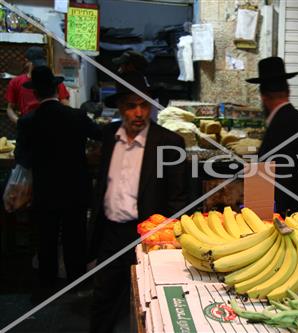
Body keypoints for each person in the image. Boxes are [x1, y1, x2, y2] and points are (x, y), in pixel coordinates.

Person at [90, 71, 187, 333]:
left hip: (147, 236)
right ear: (121, 108)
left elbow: (178, 198)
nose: (139, 112)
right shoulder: (110, 136)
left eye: (144, 104)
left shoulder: (170, 143)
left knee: (149, 302)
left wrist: (169, 240)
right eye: (132, 106)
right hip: (111, 233)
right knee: (103, 297)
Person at [14, 66, 101, 296]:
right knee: (75, 236)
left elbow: (21, 156)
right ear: (56, 89)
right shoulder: (76, 116)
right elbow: (100, 135)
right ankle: (76, 282)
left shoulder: (28, 121)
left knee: (46, 236)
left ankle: (47, 283)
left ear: (35, 93)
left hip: (45, 189)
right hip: (76, 187)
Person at [246, 57, 298, 215]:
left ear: (263, 96)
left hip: (286, 214)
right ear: (288, 91)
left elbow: (270, 179)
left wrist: (256, 216)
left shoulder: (279, 126)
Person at [6, 46, 70, 124]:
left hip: (52, 123)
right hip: (28, 122)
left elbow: (65, 105)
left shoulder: (53, 81)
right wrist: (19, 122)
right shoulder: (16, 82)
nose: (39, 66)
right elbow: (10, 108)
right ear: (27, 62)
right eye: (35, 64)